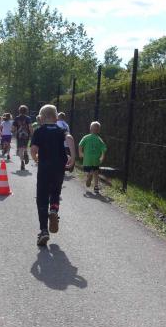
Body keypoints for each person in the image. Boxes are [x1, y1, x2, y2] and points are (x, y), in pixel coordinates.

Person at [30, 104, 75, 246]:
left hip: (44, 168)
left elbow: (33, 149)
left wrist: (35, 158)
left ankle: (44, 230)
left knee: (42, 197)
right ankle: (54, 210)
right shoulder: (61, 130)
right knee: (55, 192)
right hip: (59, 167)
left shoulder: (39, 131)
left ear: (41, 118)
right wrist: (73, 157)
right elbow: (70, 138)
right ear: (56, 118)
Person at [79, 121, 107, 193]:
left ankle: (89, 175)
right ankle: (96, 187)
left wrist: (80, 152)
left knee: (87, 170)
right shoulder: (99, 139)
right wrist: (102, 156)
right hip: (96, 159)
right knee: (96, 173)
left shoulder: (86, 137)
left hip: (87, 159)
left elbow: (80, 145)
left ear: (90, 129)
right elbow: (104, 148)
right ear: (99, 130)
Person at [14, 105, 33, 171]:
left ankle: (22, 162)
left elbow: (13, 128)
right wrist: (32, 134)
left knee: (20, 149)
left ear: (19, 111)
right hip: (26, 135)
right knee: (25, 147)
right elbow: (30, 127)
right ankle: (26, 153)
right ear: (26, 111)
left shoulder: (17, 118)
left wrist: (13, 131)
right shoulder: (28, 118)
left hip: (19, 135)